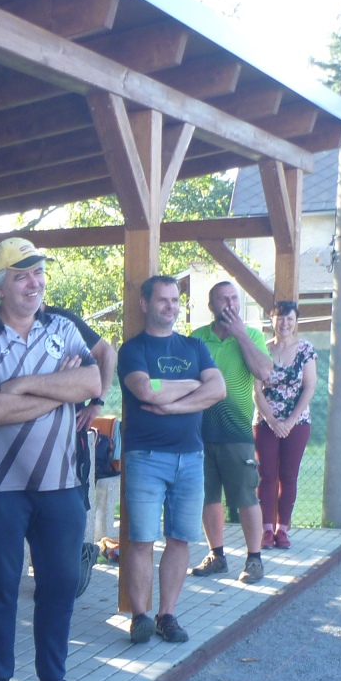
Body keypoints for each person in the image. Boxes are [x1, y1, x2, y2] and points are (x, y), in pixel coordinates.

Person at [0, 237, 105, 681]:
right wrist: (58, 390)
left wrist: (20, 385)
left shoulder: (63, 327)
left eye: (38, 273)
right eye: (22, 276)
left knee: (60, 585)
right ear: (0, 287)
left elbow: (91, 383)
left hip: (61, 483)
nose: (34, 283)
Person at [117, 275, 226, 644]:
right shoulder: (132, 350)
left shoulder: (195, 346)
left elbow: (219, 389)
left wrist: (172, 404)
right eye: (163, 300)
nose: (170, 306)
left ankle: (167, 615)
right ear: (145, 304)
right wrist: (193, 385)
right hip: (146, 457)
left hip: (191, 459)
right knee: (142, 539)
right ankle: (140, 617)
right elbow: (145, 389)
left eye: (175, 300)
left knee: (180, 538)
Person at [191, 282, 273, 584]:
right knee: (207, 496)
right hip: (199, 433)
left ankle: (254, 560)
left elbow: (264, 372)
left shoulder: (251, 336)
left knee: (246, 496)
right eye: (223, 299)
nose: (230, 304)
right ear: (211, 306)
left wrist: (241, 335)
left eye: (234, 298)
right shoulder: (197, 338)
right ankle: (217, 556)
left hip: (237, 432)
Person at [253, 300, 318, 549]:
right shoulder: (262, 349)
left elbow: (309, 387)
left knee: (288, 475)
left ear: (296, 321)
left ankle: (283, 529)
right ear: (272, 320)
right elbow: (256, 391)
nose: (284, 323)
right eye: (280, 318)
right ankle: (266, 530)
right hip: (266, 421)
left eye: (289, 318)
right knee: (266, 475)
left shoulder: (305, 349)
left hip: (297, 423)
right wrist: (272, 420)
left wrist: (289, 421)